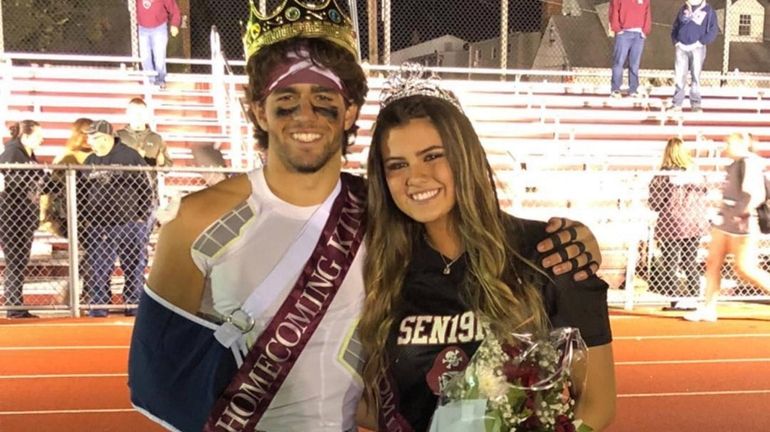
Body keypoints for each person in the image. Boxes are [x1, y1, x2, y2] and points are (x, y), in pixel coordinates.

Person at [127, 2, 604, 431]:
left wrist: (574, 238)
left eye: (324, 103)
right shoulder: (196, 220)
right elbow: (159, 381)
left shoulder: (381, 214)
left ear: (350, 109)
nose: (305, 117)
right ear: (256, 109)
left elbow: (479, 231)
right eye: (285, 102)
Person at [357, 68, 616, 432]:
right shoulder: (382, 268)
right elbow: (371, 403)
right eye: (397, 165)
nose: (415, 178)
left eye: (433, 156)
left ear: (465, 156)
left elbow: (598, 399)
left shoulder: (549, 252)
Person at [685, 133, 770, 322]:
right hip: (725, 222)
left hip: (742, 224)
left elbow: (755, 194)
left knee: (746, 268)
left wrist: (741, 212)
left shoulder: (749, 163)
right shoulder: (734, 164)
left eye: (729, 143)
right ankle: (708, 308)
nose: (726, 146)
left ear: (741, 143)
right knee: (713, 262)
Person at [80, 120, 153, 317]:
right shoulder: (89, 161)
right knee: (99, 268)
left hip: (128, 223)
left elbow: (145, 187)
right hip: (99, 224)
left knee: (133, 266)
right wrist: (85, 218)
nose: (90, 142)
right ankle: (98, 307)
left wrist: (141, 216)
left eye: (94, 138)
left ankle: (133, 304)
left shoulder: (129, 156)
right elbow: (80, 191)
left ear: (105, 138)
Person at [648, 137, 708, 311]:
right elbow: (704, 193)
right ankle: (695, 298)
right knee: (690, 260)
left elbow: (656, 202)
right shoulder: (696, 174)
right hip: (694, 222)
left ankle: (674, 300)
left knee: (671, 263)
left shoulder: (664, 174)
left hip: (672, 222)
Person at [0, 120, 47, 319]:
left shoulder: (28, 155)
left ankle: (15, 304)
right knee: (15, 260)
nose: (42, 139)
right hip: (11, 216)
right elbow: (10, 180)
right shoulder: (12, 152)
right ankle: (13, 305)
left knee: (19, 261)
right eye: (38, 135)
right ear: (25, 136)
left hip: (25, 216)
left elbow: (39, 183)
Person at [41, 118, 94, 237]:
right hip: (71, 208)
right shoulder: (66, 156)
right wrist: (46, 214)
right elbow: (52, 187)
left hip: (96, 208)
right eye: (85, 133)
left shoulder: (100, 155)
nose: (88, 138)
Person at [669, 0, 718, 112]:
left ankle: (696, 104)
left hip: (697, 48)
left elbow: (713, 30)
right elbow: (675, 26)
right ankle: (677, 103)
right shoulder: (683, 9)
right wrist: (676, 41)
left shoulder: (709, 11)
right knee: (680, 76)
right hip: (681, 47)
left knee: (695, 76)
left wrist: (701, 42)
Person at [609, 0, 651, 98]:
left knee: (635, 64)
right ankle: (615, 89)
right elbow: (613, 10)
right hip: (623, 33)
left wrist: (645, 31)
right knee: (619, 62)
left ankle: (633, 89)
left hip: (639, 35)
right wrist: (617, 29)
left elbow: (647, 12)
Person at [136, 0, 181, 88]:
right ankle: (150, 82)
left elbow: (174, 9)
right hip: (143, 29)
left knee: (159, 59)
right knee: (145, 58)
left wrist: (175, 24)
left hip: (159, 29)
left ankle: (160, 81)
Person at [117, 97, 173, 167]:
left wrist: (162, 163)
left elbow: (168, 167)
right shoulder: (118, 137)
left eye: (140, 113)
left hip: (149, 178)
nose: (137, 116)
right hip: (123, 178)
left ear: (146, 115)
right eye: (134, 113)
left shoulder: (157, 139)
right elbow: (109, 163)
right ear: (128, 114)